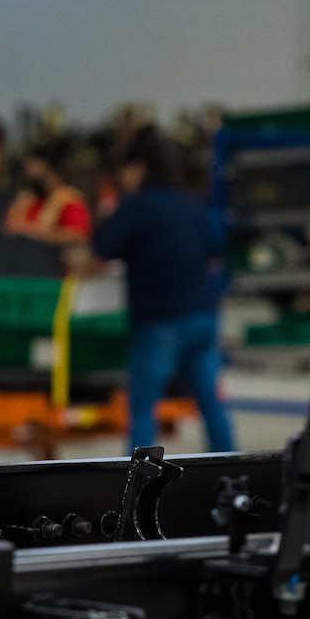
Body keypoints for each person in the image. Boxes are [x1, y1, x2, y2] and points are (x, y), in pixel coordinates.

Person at [90, 127, 234, 455]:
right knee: (211, 401)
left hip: (159, 320)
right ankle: (232, 467)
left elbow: (101, 253)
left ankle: (140, 483)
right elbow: (214, 250)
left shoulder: (135, 207)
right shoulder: (192, 204)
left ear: (138, 168)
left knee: (142, 406)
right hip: (202, 316)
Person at [2, 141, 91, 258]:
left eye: (37, 168)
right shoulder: (25, 200)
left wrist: (34, 234)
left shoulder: (70, 200)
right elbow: (8, 229)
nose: (30, 174)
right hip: (21, 266)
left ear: (52, 171)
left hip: (56, 270)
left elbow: (77, 235)